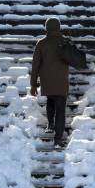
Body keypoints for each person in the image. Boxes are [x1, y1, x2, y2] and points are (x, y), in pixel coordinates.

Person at [30, 17, 70, 146]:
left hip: (47, 80)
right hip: (62, 80)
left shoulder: (41, 43)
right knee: (61, 108)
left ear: (46, 28)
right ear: (59, 27)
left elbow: (35, 65)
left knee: (51, 100)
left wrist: (33, 84)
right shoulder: (65, 42)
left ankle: (51, 124)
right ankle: (58, 139)